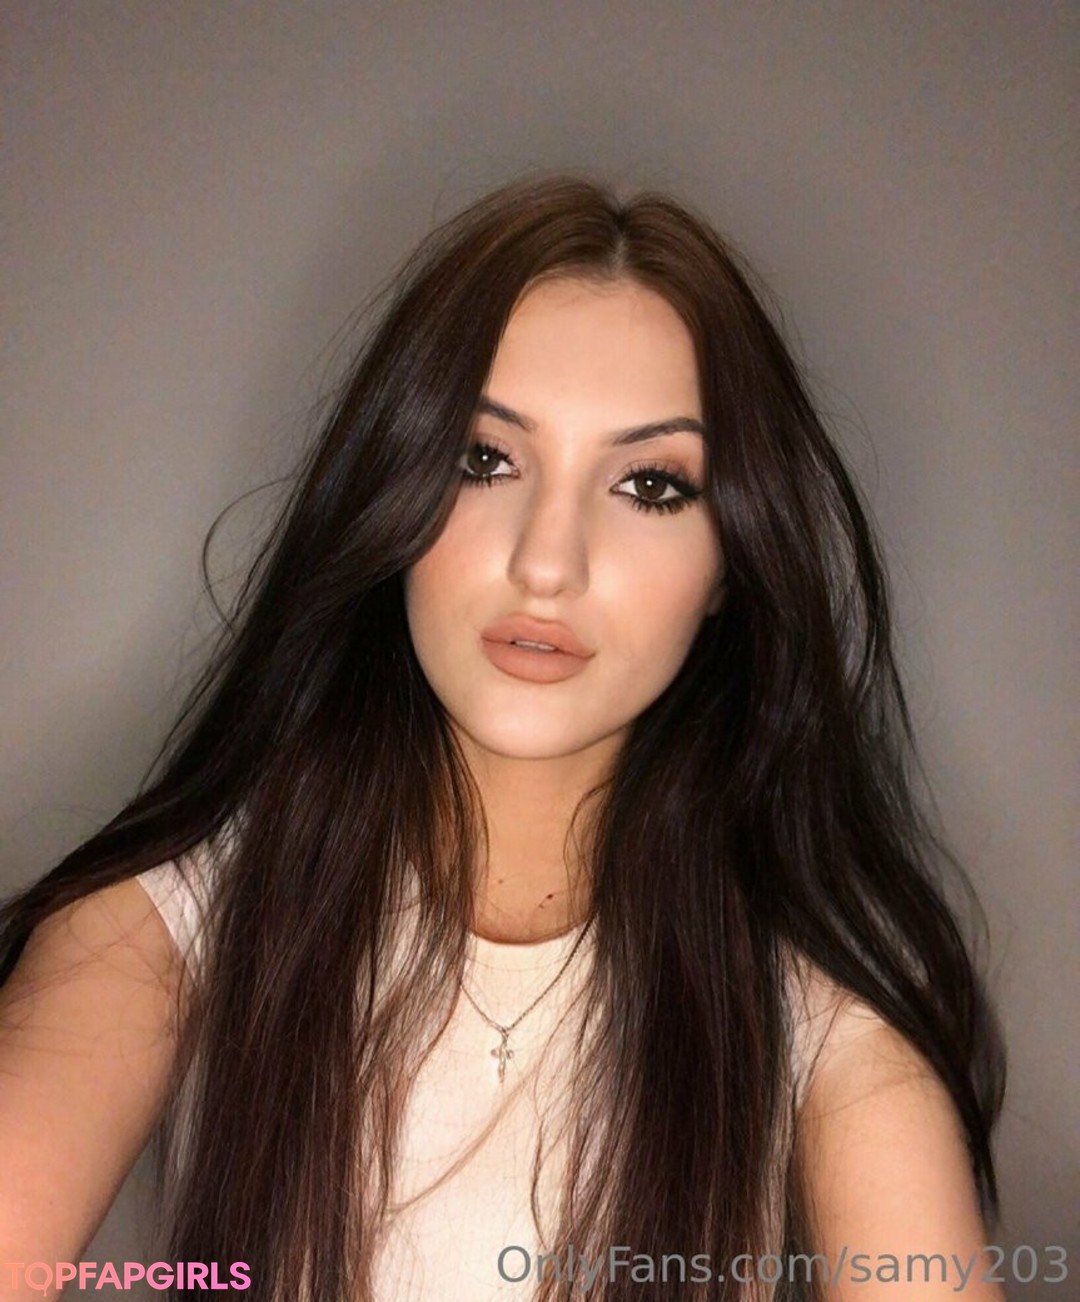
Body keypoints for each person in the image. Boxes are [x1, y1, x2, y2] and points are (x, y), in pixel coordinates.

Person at [0, 174, 1006, 1300]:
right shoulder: (160, 936)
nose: (547, 562)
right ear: (391, 491)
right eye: (484, 460)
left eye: (650, 486)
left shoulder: (820, 1021)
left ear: (734, 564)